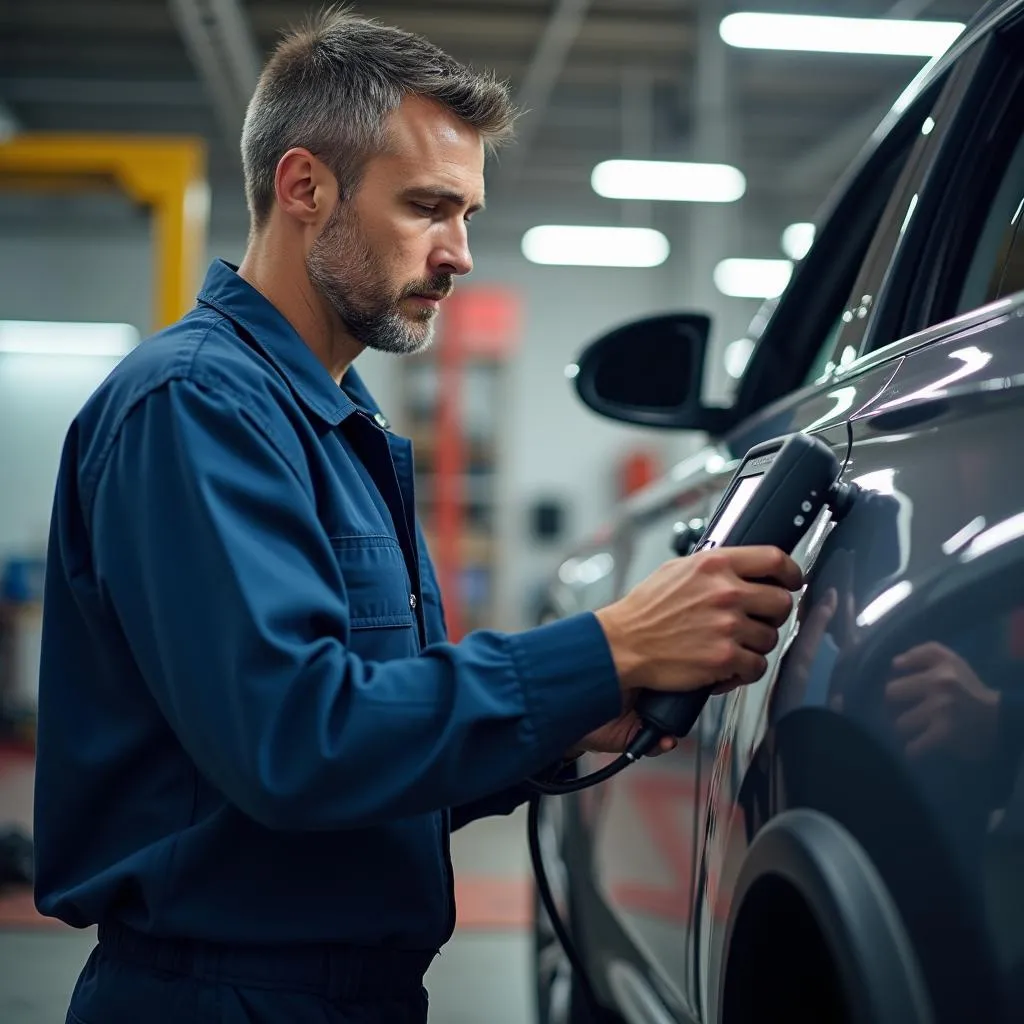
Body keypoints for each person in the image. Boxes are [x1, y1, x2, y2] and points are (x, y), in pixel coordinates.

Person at [33, 9, 802, 1023]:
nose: (460, 252)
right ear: (303, 187)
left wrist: (560, 728)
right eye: (429, 207)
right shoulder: (196, 405)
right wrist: (605, 648)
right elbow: (297, 742)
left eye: (468, 213)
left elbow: (369, 747)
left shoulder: (329, 418)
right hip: (225, 996)